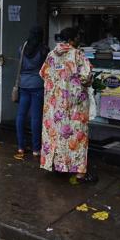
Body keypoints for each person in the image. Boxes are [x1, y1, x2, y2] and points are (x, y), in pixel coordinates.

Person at [39, 27, 95, 183]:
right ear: (72, 39)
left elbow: (43, 74)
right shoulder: (77, 55)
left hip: (54, 106)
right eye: (77, 37)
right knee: (77, 137)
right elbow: (87, 77)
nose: (79, 40)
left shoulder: (51, 55)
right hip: (74, 106)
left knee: (56, 135)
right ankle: (79, 173)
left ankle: (59, 166)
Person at [14, 25, 48, 160]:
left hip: (24, 85)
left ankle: (21, 147)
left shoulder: (22, 48)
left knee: (21, 115)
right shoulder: (44, 50)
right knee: (35, 117)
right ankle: (35, 149)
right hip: (38, 85)